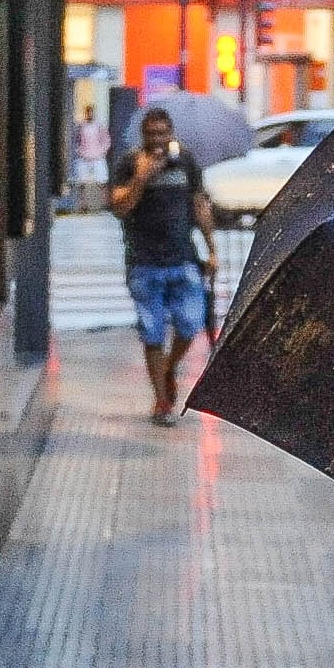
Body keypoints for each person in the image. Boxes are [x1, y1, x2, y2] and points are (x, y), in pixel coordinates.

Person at [105, 102, 216, 426]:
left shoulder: (185, 161)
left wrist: (211, 249)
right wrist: (141, 178)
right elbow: (119, 208)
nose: (157, 139)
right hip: (144, 261)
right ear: (143, 135)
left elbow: (199, 204)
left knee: (190, 324)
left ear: (170, 133)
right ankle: (161, 400)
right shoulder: (129, 163)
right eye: (151, 134)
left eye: (162, 133)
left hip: (182, 256)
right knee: (152, 331)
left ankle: (168, 368)